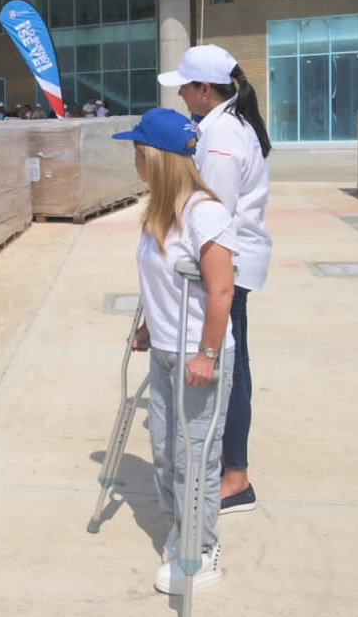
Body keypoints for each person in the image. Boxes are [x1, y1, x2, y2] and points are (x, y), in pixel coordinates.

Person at [113, 107, 236, 594]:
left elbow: (222, 289)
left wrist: (207, 353)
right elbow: (159, 282)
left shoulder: (204, 212)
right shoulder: (158, 212)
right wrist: (146, 325)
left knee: (194, 457)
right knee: (165, 454)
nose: (134, 162)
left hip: (194, 358)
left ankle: (203, 550)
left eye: (137, 153)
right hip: (164, 349)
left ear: (156, 159)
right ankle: (181, 529)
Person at [159, 43, 272, 515]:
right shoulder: (223, 125)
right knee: (233, 366)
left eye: (185, 87)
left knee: (231, 369)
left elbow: (213, 217)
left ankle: (236, 478)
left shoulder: (222, 138)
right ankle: (232, 467)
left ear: (205, 89)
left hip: (228, 268)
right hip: (236, 263)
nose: (181, 94)